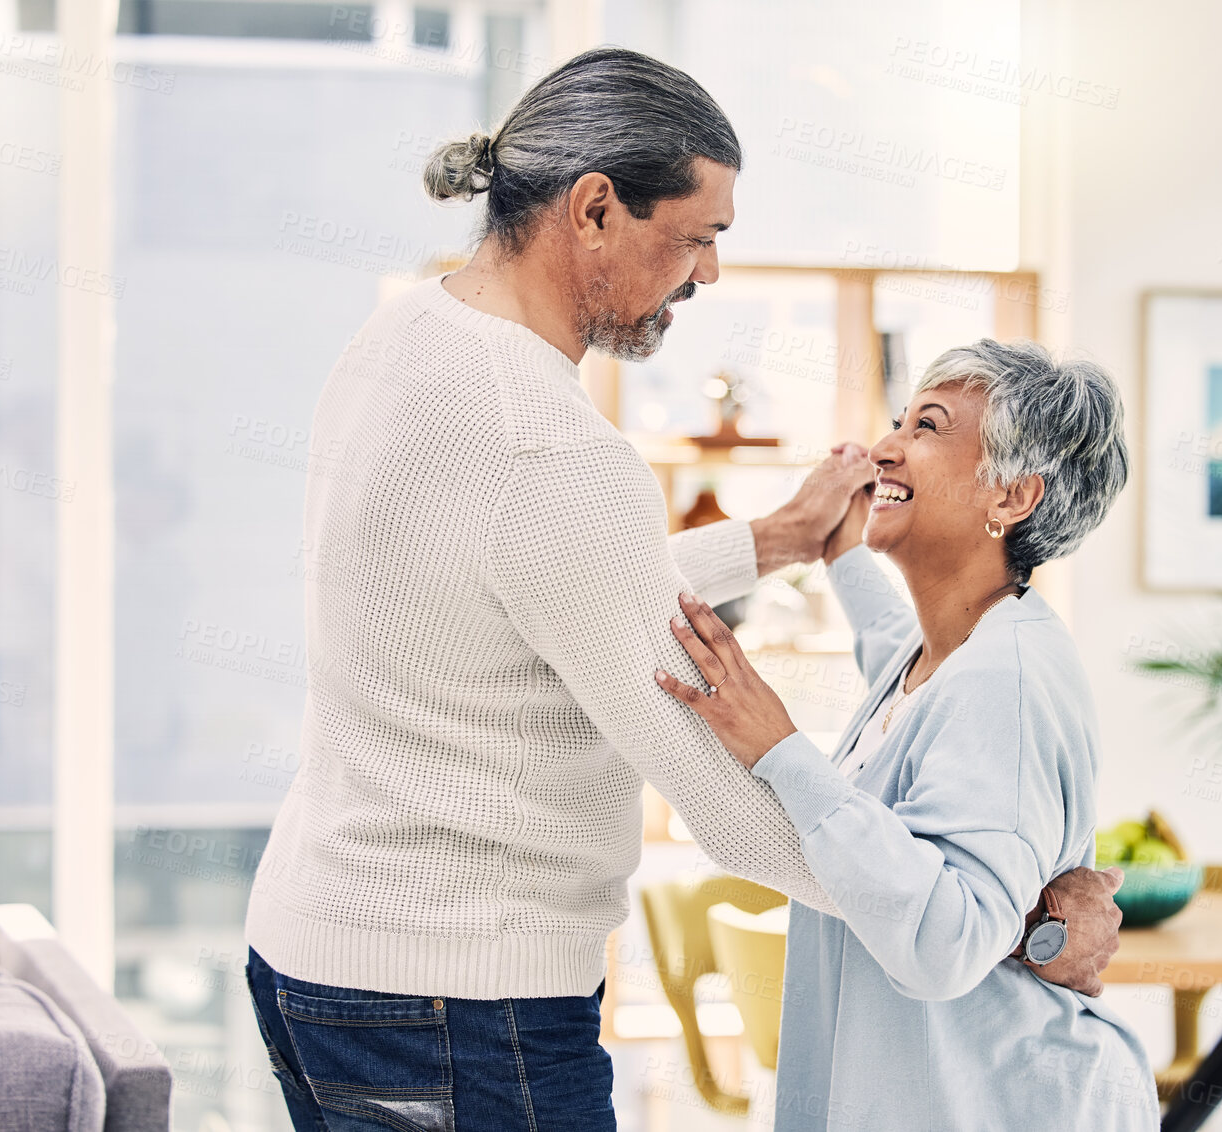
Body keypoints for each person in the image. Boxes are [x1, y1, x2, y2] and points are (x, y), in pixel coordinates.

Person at [242, 48, 1121, 1131]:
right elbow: (737, 818)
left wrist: (785, 541)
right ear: (596, 209)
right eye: (699, 236)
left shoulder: (404, 340)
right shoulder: (551, 449)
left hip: (317, 952)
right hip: (458, 994)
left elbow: (525, 596)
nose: (706, 275)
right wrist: (1004, 916)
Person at [658, 338, 1159, 1131]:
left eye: (927, 426)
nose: (886, 447)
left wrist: (780, 748)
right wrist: (838, 550)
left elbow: (946, 941)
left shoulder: (1005, 680)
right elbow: (893, 651)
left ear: (1011, 498)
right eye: (899, 420)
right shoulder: (948, 649)